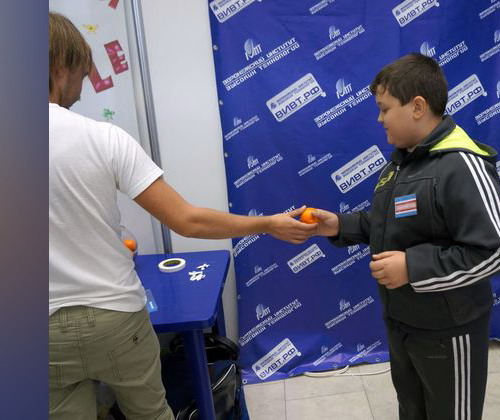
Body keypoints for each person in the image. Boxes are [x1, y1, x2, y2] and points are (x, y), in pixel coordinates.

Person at [48, 11, 315, 420]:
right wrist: (266, 223)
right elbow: (187, 220)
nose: (81, 91)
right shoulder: (104, 138)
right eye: (81, 75)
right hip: (115, 314)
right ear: (59, 67)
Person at [311, 53, 500, 420]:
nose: (379, 119)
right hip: (404, 324)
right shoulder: (401, 163)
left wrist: (412, 268)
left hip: (450, 332)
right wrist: (338, 226)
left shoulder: (461, 164)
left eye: (385, 109)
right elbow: (388, 224)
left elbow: (497, 250)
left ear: (418, 107)